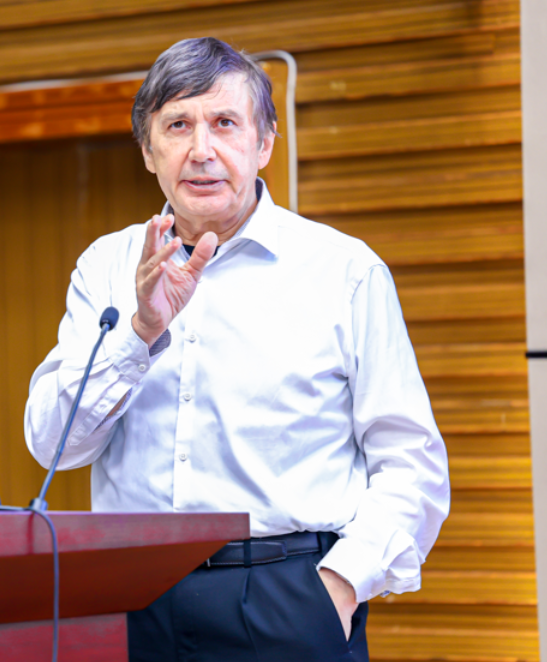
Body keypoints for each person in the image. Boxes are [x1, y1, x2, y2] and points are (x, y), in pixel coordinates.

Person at [24, 37, 450, 661]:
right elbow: (54, 446)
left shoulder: (343, 271)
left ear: (264, 143)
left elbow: (412, 461)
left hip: (285, 595)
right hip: (130, 597)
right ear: (148, 150)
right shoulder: (107, 265)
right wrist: (140, 334)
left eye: (224, 123)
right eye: (177, 126)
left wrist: (339, 585)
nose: (201, 150)